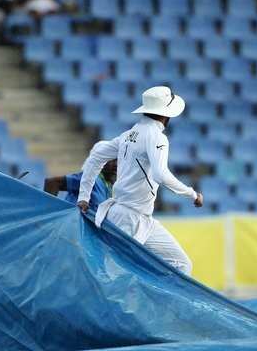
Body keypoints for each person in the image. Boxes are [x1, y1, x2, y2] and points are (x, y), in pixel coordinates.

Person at [77, 86, 204, 275]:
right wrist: (192, 194)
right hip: (128, 218)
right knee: (113, 278)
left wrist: (84, 196)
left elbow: (96, 156)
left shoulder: (128, 135)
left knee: (181, 264)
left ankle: (159, 305)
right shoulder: (156, 137)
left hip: (139, 217)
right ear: (166, 114)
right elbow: (160, 175)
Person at [44, 159, 117, 213]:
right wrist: (49, 217)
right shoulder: (91, 178)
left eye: (119, 161)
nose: (116, 164)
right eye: (113, 160)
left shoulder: (110, 188)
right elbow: (52, 183)